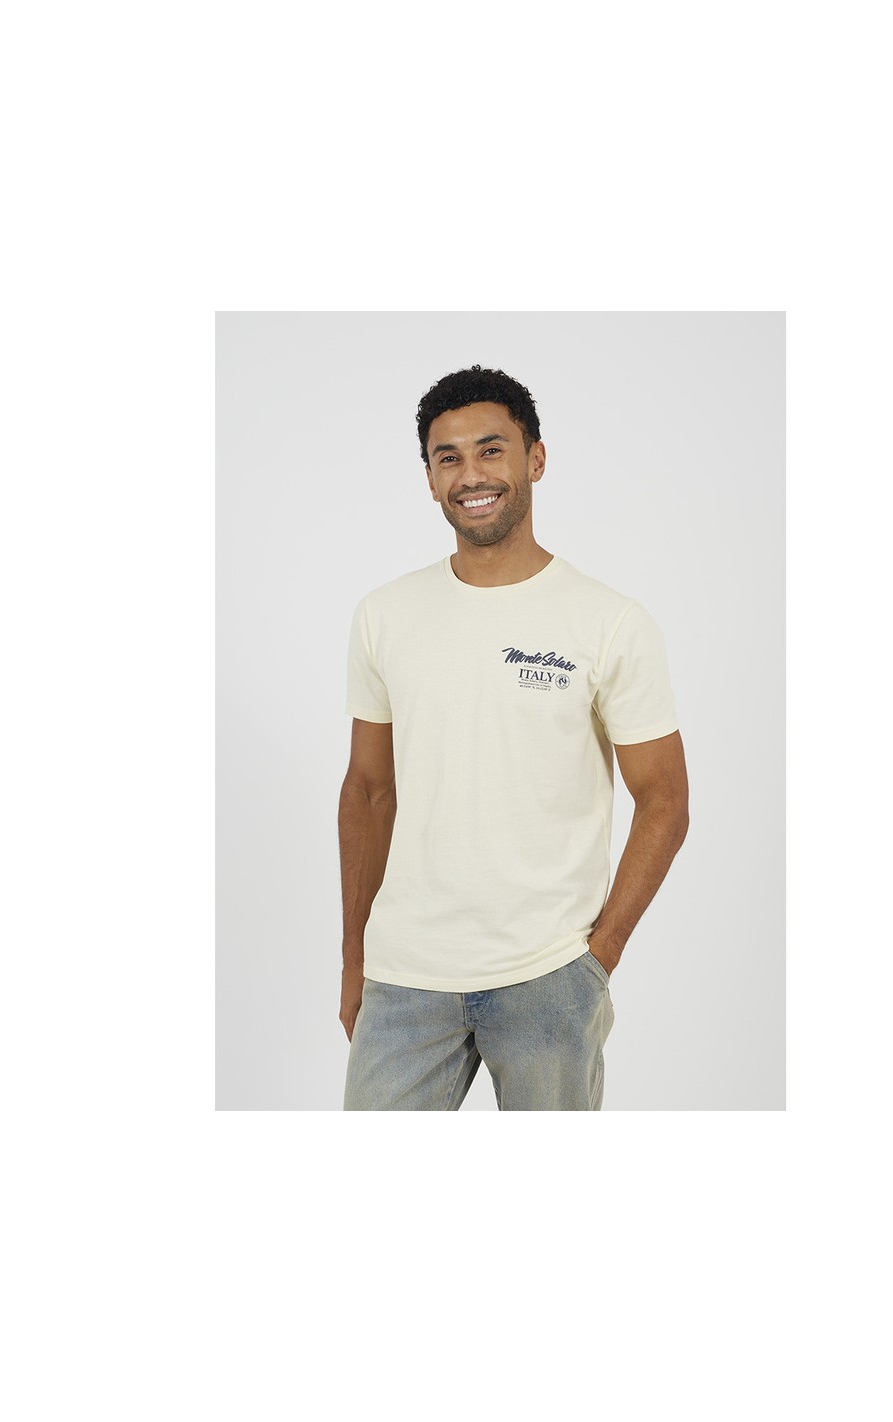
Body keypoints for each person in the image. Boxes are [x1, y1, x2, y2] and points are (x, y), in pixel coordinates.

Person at [339, 364, 689, 1110]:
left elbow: (665, 800)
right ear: (430, 480)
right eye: (449, 458)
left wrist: (597, 960)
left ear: (536, 458)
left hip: (548, 976)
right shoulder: (385, 615)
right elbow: (368, 791)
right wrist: (353, 958)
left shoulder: (608, 622)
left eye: (491, 450)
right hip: (403, 977)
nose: (471, 475)